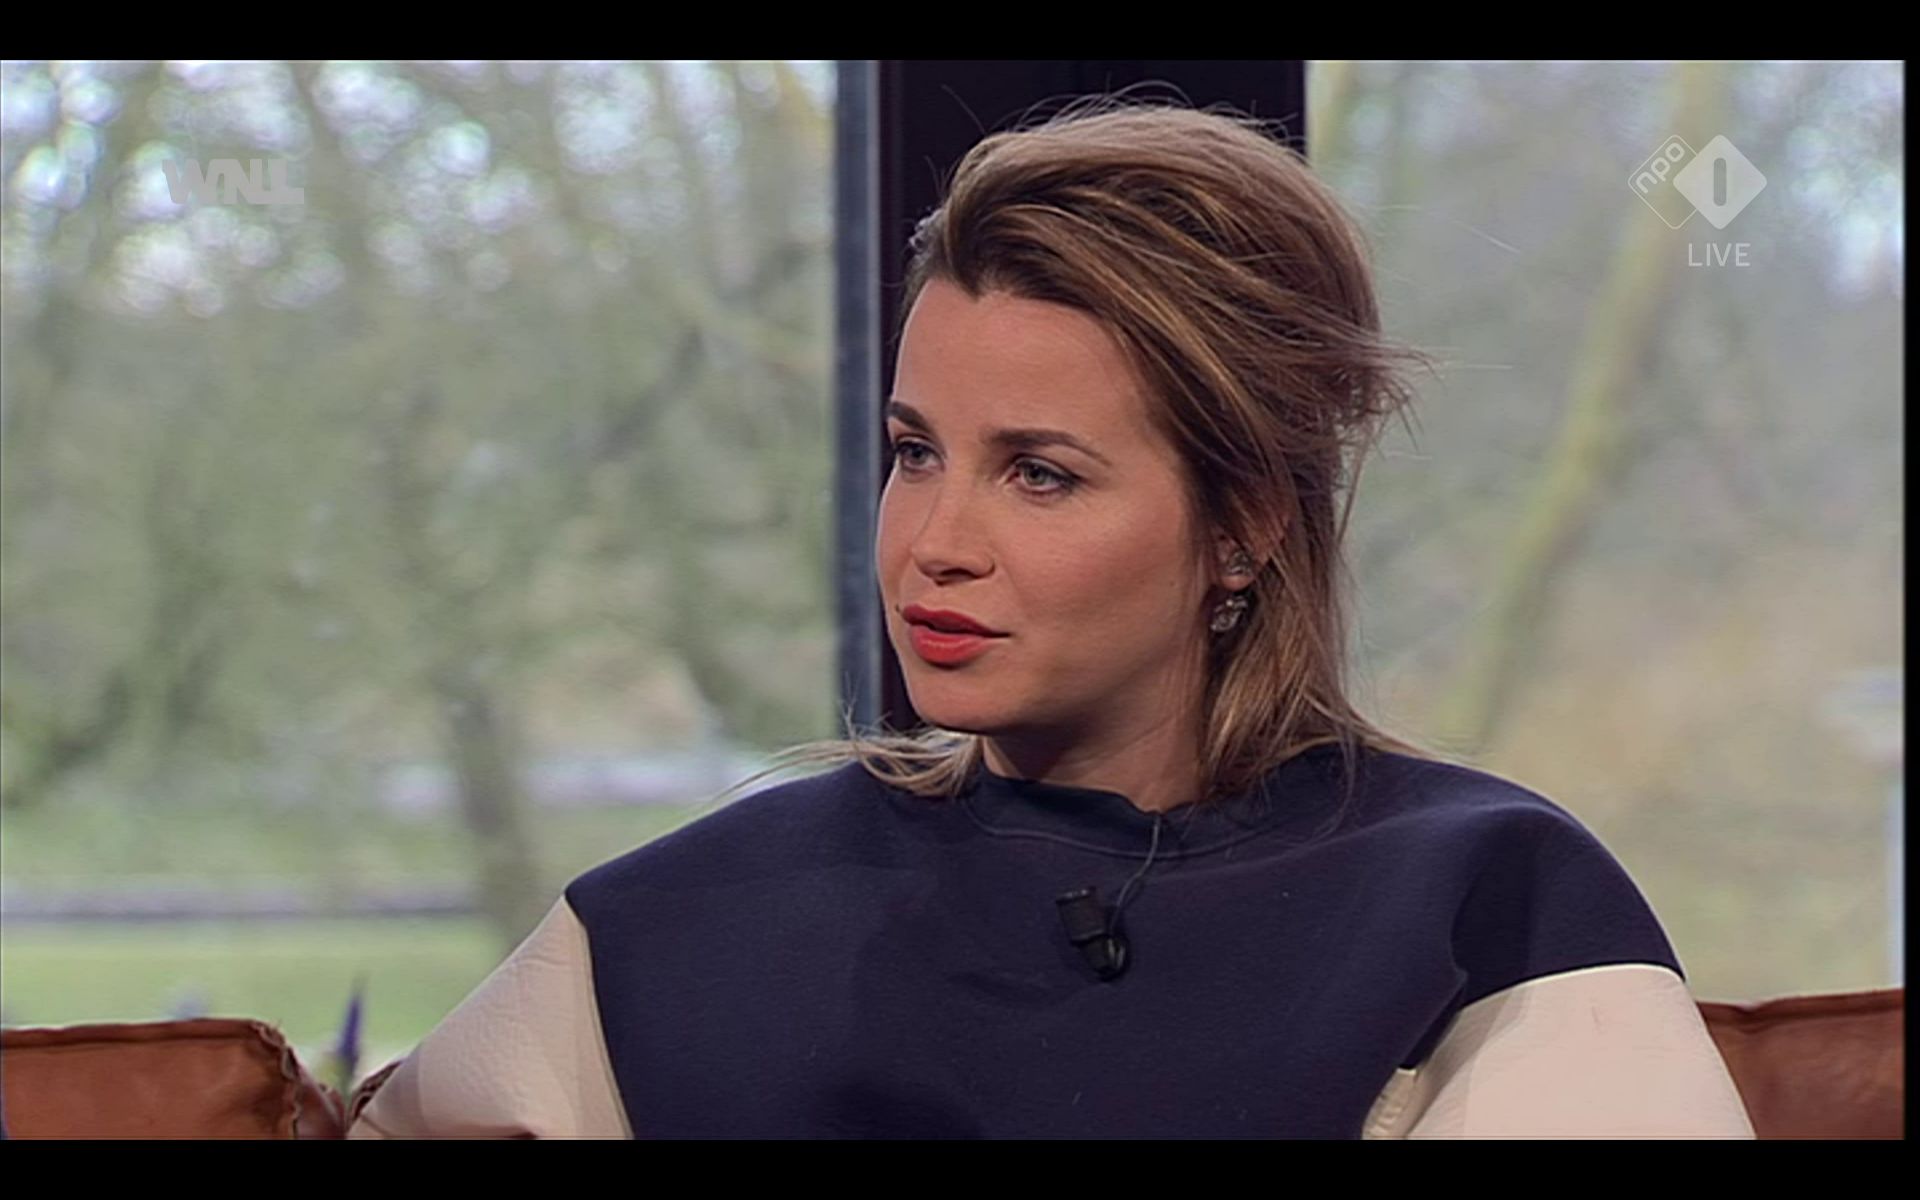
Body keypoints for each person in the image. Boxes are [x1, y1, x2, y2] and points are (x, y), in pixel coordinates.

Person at [345, 96, 1755, 1139]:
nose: (935, 545)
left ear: (1246, 522)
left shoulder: (1490, 903)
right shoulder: (679, 924)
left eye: (1039, 474)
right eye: (915, 452)